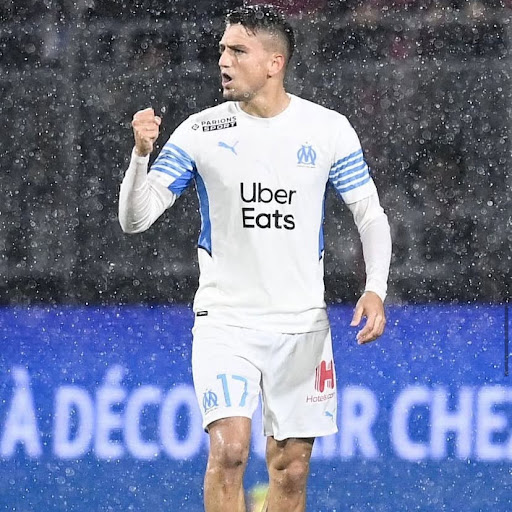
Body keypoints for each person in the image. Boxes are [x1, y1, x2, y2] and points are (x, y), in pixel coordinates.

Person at [118, 5, 391, 511]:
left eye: (238, 51)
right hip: (226, 320)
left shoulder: (327, 129)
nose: (223, 60)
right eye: (222, 49)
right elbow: (136, 219)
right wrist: (140, 155)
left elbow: (369, 213)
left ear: (274, 63)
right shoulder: (199, 132)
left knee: (291, 468)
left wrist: (375, 287)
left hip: (301, 324)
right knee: (230, 452)